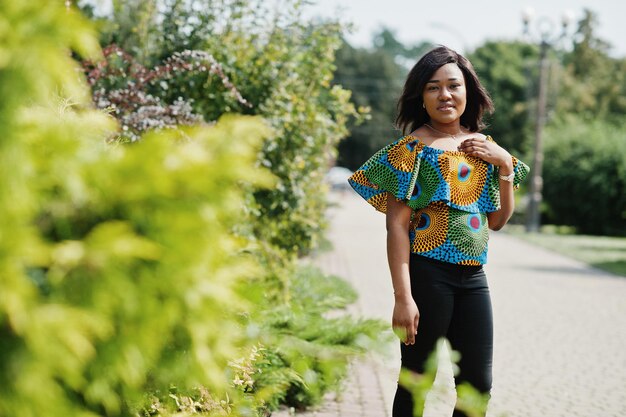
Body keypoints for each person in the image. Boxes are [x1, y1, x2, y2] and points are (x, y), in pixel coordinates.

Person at [348, 45, 529, 417]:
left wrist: (504, 166)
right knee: (417, 379)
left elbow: (497, 221)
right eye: (433, 87)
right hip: (428, 276)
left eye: (453, 86)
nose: (445, 94)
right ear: (422, 96)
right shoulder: (410, 149)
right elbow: (396, 227)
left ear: (468, 92)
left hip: (474, 278)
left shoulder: (485, 148)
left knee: (477, 385)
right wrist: (403, 297)